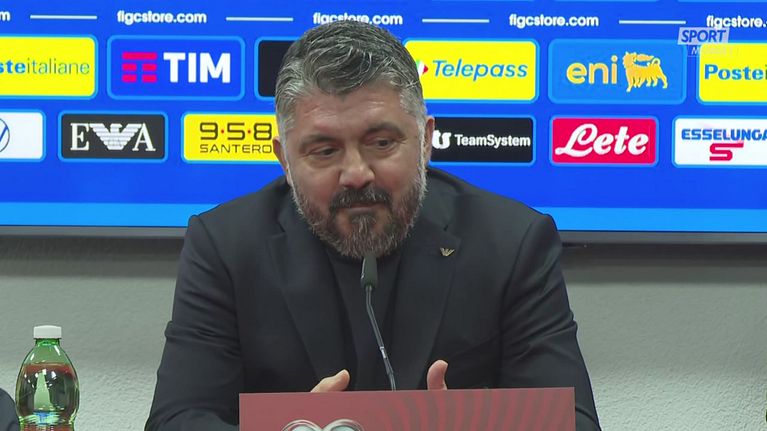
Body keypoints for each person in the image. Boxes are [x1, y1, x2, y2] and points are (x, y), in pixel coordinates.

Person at [146, 20, 600, 431]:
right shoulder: (225, 246)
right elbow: (176, 419)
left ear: (425, 140)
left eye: (381, 143)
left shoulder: (511, 242)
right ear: (284, 160)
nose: (356, 173)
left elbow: (572, 422)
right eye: (325, 151)